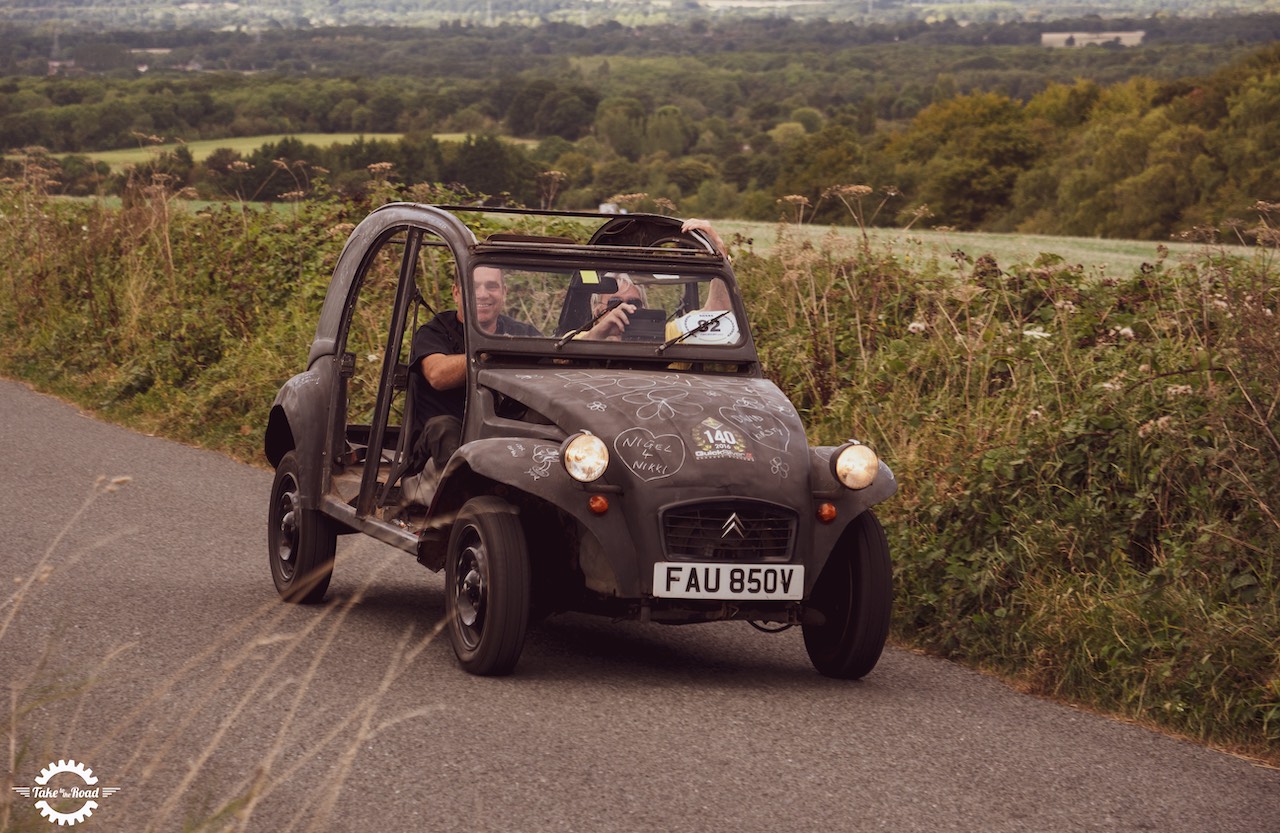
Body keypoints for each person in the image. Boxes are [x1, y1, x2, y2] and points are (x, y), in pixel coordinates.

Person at [404, 266, 539, 486]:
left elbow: (556, 361)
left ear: (504, 292)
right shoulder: (434, 331)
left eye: (492, 286)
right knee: (443, 428)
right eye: (473, 287)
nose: (483, 294)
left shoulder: (521, 332)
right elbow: (437, 375)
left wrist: (597, 335)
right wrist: (489, 355)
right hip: (445, 442)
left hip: (503, 436)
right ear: (457, 292)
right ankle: (464, 503)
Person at [579, 219, 732, 342]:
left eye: (634, 304)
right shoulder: (576, 340)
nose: (624, 310)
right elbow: (564, 360)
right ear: (597, 311)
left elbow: (718, 315)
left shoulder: (667, 339)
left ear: (644, 308)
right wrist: (600, 333)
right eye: (614, 303)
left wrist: (719, 252)